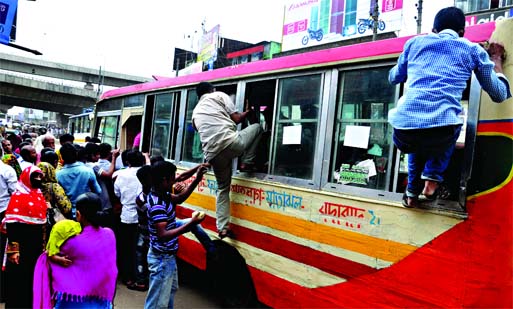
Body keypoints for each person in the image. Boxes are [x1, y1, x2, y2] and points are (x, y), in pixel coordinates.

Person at [388, 7, 512, 208]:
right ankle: (432, 181)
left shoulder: (414, 44)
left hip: (402, 131)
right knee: (450, 122)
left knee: (416, 134)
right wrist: (496, 63)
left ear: (433, 29)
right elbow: (498, 94)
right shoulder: (472, 50)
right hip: (441, 132)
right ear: (463, 32)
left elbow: (394, 77)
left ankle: (411, 193)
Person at [192, 82, 263, 238]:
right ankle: (247, 162)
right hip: (231, 143)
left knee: (223, 188)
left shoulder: (195, 112)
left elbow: (201, 130)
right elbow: (237, 119)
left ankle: (222, 228)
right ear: (212, 89)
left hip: (212, 155)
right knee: (258, 127)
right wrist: (248, 112)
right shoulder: (219, 95)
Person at [33, 192, 118, 308]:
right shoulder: (109, 234)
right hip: (101, 298)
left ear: (78, 214)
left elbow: (50, 255)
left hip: (73, 300)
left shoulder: (71, 241)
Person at [144, 161, 208, 309]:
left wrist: (197, 180)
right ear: (164, 180)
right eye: (173, 178)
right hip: (162, 258)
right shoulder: (157, 204)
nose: (175, 181)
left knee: (168, 294)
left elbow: (180, 198)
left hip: (167, 256)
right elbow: (163, 234)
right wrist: (190, 224)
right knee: (157, 304)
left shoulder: (162, 193)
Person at [2, 166, 47, 308]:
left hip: (35, 247)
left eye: (40, 177)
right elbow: (11, 227)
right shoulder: (18, 196)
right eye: (35, 177)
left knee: (32, 280)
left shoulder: (39, 195)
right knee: (17, 280)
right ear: (27, 178)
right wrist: (13, 251)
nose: (38, 180)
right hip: (20, 247)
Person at [114, 149, 144, 289]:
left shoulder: (121, 174)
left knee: (126, 248)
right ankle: (141, 277)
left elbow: (117, 193)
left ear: (127, 162)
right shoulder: (146, 173)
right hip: (143, 216)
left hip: (126, 216)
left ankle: (128, 278)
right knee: (140, 249)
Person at [56, 143, 102, 218]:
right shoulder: (88, 171)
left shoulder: (58, 175)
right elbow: (98, 191)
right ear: (76, 154)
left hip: (67, 214)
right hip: (86, 212)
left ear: (61, 157)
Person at [0, 160, 17, 303]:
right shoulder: (7, 170)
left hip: (5, 213)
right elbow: (14, 193)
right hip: (4, 214)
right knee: (3, 253)